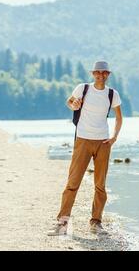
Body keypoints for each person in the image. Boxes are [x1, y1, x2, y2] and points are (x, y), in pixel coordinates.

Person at [48, 61, 123, 236]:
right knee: (73, 182)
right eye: (97, 72)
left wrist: (114, 137)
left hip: (103, 142)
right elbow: (70, 101)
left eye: (104, 73)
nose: (100, 75)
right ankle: (62, 223)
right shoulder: (83, 88)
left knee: (100, 185)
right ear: (93, 74)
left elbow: (119, 117)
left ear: (108, 75)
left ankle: (96, 223)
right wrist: (73, 105)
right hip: (82, 140)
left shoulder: (112, 94)